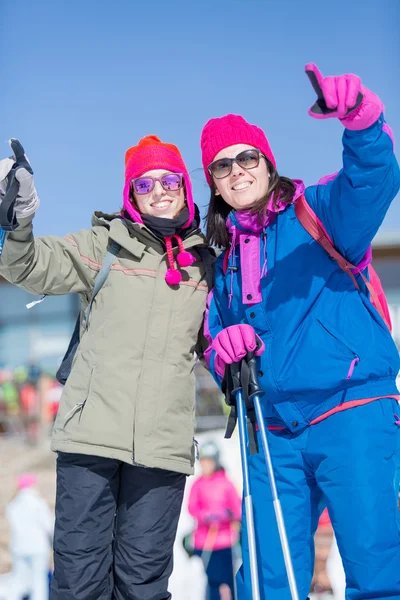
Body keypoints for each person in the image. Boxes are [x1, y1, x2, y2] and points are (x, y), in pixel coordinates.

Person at [200, 63, 400, 599]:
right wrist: (222, 350)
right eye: (222, 166)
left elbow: (370, 184)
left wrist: (361, 123)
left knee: (375, 567)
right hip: (272, 431)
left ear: (267, 164)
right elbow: (210, 337)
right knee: (268, 581)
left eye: (246, 157)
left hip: (350, 411)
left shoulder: (318, 214)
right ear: (214, 184)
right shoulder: (220, 265)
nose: (237, 170)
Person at [0, 134, 213, 599]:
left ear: (185, 186)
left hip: (161, 447)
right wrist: (19, 220)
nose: (158, 190)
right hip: (90, 439)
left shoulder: (206, 264)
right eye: (144, 184)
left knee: (144, 584)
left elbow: (224, 336)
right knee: (79, 584)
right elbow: (27, 266)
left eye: (169, 179)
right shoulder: (103, 247)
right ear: (130, 195)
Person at [188, 440, 241, 600]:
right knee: (212, 580)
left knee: (227, 579)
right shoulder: (198, 484)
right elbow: (192, 507)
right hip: (205, 541)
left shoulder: (226, 484)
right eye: (202, 462)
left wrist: (226, 514)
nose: (205, 466)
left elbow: (237, 509)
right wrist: (205, 515)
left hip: (224, 542)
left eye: (208, 462)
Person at [6, 473, 53, 600]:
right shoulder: (37, 502)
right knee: (39, 580)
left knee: (19, 579)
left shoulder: (13, 505)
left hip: (18, 547)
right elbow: (48, 525)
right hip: (37, 547)